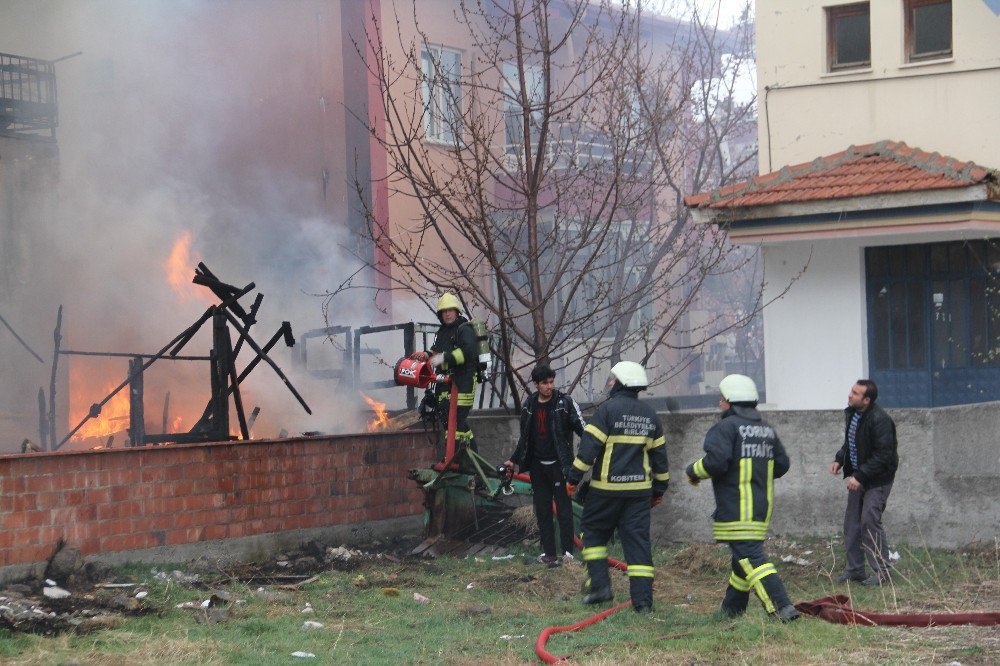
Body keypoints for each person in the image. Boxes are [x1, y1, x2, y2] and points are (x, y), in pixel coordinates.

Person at [685, 374, 799, 622]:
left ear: (730, 402)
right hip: (760, 509)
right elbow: (782, 464)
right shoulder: (766, 430)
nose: (719, 403)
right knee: (741, 560)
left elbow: (716, 462)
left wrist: (693, 471)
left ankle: (781, 607)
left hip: (736, 510)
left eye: (722, 399)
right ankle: (732, 610)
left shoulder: (725, 428)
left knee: (751, 558)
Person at [565, 361, 668, 614]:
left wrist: (573, 479)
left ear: (620, 383)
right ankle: (643, 603)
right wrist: (659, 491)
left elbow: (588, 451)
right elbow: (660, 460)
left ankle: (600, 587)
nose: (609, 383)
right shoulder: (650, 415)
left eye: (612, 380)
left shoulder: (607, 411)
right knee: (638, 544)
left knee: (593, 534)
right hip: (639, 494)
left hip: (605, 492)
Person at [504, 364, 585, 567]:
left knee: (564, 511)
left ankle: (568, 554)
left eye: (551, 382)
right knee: (543, 511)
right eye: (545, 383)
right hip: (538, 467)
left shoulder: (564, 403)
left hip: (560, 465)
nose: (549, 386)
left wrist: (592, 450)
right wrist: (513, 460)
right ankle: (549, 554)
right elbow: (525, 438)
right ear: (536, 385)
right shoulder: (529, 405)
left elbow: (583, 429)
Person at [829, 379, 898, 586]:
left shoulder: (880, 420)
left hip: (877, 479)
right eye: (851, 391)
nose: (850, 395)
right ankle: (855, 570)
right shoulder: (853, 414)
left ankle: (882, 572)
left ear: (866, 400)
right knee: (852, 523)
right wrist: (839, 459)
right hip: (859, 477)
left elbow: (884, 455)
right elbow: (851, 442)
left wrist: (859, 477)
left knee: (869, 520)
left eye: (855, 393)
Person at [428, 293, 480, 457]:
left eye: (450, 310)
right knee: (447, 421)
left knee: (457, 420)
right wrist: (425, 355)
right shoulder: (441, 332)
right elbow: (435, 353)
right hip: (445, 382)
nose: (448, 314)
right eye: (444, 311)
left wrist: (445, 357)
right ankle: (454, 457)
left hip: (463, 381)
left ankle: (470, 460)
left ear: (457, 311)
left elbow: (469, 351)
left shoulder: (464, 329)